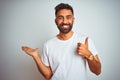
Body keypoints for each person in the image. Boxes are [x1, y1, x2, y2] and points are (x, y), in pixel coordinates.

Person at [22, 3, 101, 80]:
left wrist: (88, 55)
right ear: (56, 21)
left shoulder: (85, 40)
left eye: (68, 17)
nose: (65, 21)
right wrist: (36, 56)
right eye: (60, 17)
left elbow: (97, 71)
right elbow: (48, 76)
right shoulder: (48, 45)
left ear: (73, 20)